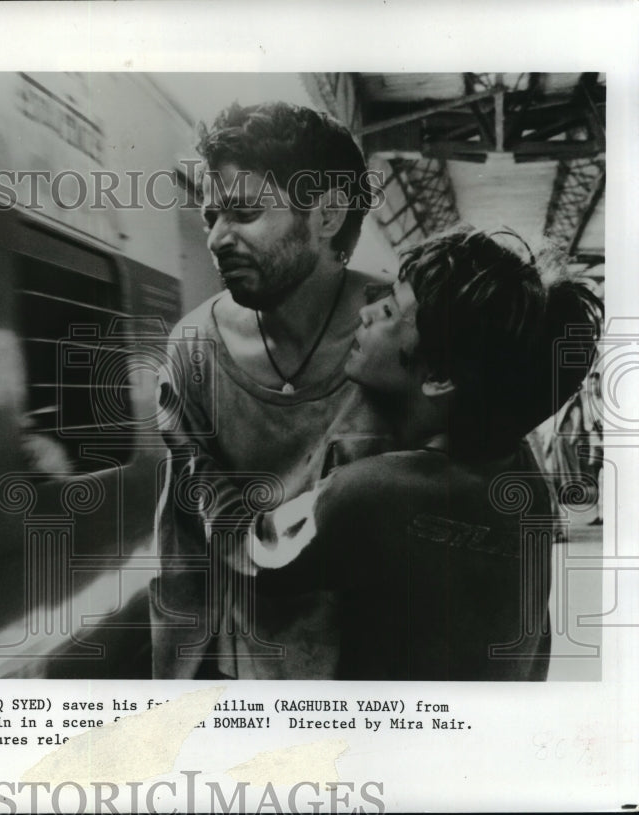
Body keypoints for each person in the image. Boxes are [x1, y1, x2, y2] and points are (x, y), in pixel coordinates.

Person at [245, 227, 603, 680]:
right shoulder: (525, 481)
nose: (368, 312)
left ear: (439, 377)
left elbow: (253, 554)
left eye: (390, 309)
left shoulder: (370, 493)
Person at [151, 101, 391, 679]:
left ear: (327, 216)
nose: (216, 238)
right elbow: (184, 559)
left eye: (244, 212)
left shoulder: (408, 333)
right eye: (212, 217)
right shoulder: (193, 351)